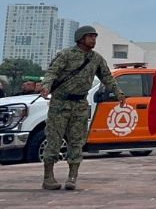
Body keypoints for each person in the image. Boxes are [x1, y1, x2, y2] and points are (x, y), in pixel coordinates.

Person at [40, 25, 125, 191]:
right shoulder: (66, 55)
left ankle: (72, 177)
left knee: (77, 142)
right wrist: (46, 86)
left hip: (80, 105)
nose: (93, 39)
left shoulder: (97, 59)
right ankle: (48, 177)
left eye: (95, 37)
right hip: (60, 104)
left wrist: (118, 93)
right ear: (80, 38)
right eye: (90, 36)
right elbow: (52, 72)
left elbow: (107, 77)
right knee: (54, 140)